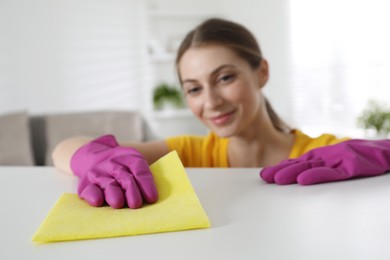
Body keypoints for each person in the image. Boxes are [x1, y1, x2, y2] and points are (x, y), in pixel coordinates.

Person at [52, 18, 390, 209]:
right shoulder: (189, 153)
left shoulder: (323, 155)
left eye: (225, 78)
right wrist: (90, 157)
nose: (211, 101)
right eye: (194, 88)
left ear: (261, 73)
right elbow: (64, 148)